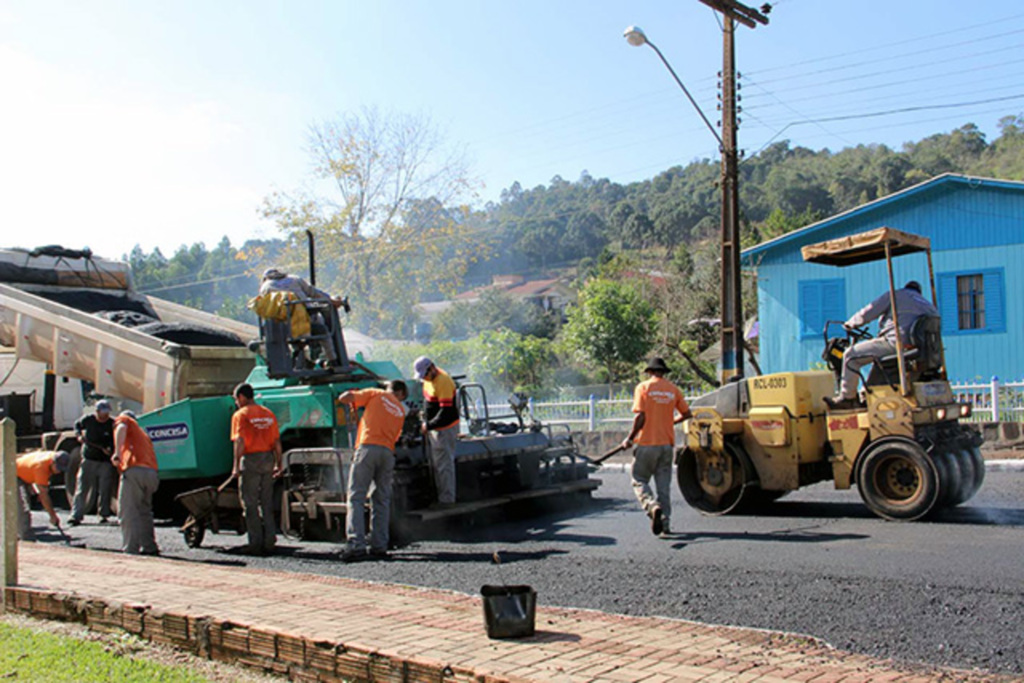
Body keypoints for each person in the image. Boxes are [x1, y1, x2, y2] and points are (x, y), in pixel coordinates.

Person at [826, 280, 939, 410]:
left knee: (851, 356)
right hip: (918, 350)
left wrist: (851, 323)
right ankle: (865, 396)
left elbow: (869, 311)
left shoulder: (896, 295)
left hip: (895, 344)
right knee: (876, 357)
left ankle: (847, 398)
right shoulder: (928, 305)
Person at [336, 380, 408, 562]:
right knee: (381, 500)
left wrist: (353, 393)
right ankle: (379, 545)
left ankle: (356, 544)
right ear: (400, 393)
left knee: (356, 497)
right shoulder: (400, 411)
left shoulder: (376, 393)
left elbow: (344, 398)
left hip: (368, 448)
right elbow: (396, 436)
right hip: (387, 453)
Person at [622, 357, 691, 537]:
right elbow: (687, 413)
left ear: (650, 372)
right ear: (663, 372)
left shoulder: (643, 388)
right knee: (663, 486)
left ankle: (652, 507)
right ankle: (665, 525)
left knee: (639, 479)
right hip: (666, 445)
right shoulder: (673, 389)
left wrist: (629, 438)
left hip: (646, 444)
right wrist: (670, 422)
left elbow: (640, 417)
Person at [230, 382, 282, 556]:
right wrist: (278, 464)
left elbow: (239, 441)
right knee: (266, 502)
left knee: (250, 503)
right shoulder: (268, 414)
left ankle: (255, 543)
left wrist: (236, 466)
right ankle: (270, 541)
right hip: (268, 459)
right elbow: (276, 442)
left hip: (251, 461)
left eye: (236, 399)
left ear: (242, 397)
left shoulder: (241, 415)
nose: (236, 403)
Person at [259, 268, 348, 366]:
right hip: (306, 325)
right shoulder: (295, 279)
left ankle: (296, 358)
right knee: (322, 329)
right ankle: (332, 360)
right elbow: (315, 293)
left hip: (283, 330)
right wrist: (332, 300)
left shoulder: (265, 287)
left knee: (280, 329)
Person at [112, 411, 160, 555]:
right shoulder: (143, 435)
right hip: (151, 473)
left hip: (134, 470)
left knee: (128, 511)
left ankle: (131, 549)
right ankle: (149, 546)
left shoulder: (127, 422)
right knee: (144, 511)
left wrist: (117, 453)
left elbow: (121, 428)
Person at [413, 356, 459, 506]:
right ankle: (438, 496)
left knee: (444, 465)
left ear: (432, 368)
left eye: (425, 374)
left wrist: (429, 425)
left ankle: (447, 500)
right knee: (437, 465)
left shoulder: (443, 381)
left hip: (445, 428)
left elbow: (447, 412)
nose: (424, 378)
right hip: (435, 428)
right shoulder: (428, 381)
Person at [69, 399, 116, 526]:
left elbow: (115, 440)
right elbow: (77, 425)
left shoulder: (112, 424)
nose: (105, 415)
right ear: (97, 411)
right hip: (89, 459)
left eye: (107, 412)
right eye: (103, 412)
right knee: (82, 488)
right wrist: (78, 435)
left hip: (105, 461)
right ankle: (76, 515)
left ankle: (104, 515)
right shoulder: (88, 420)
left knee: (105, 489)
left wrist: (110, 450)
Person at [16, 450, 70, 541]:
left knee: (24, 504)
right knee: (23, 507)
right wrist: (52, 516)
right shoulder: (41, 467)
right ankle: (26, 538)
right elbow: (44, 496)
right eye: (58, 468)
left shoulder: (52, 456)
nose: (59, 472)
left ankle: (17, 532)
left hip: (24, 474)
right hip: (14, 475)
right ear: (52, 462)